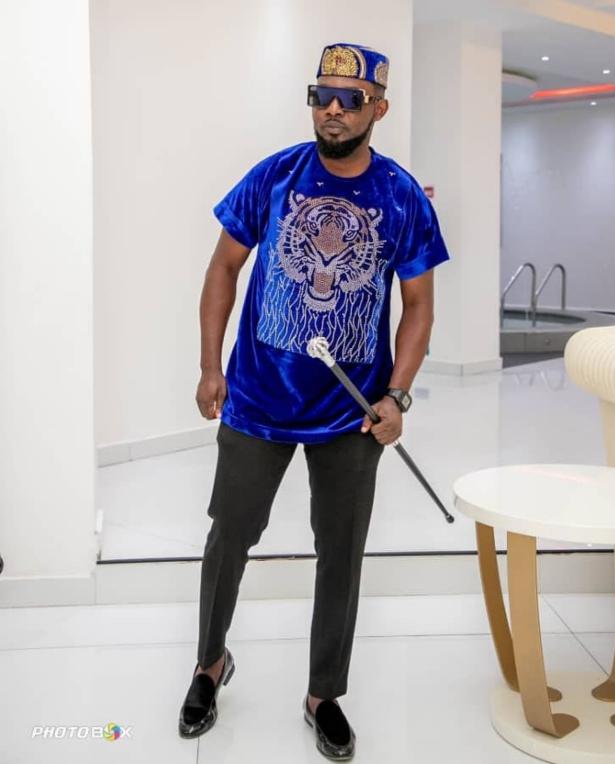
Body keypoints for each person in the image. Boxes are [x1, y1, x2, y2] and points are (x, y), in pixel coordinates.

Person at [178, 42, 451, 760]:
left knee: (341, 552)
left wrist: (397, 395)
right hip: (257, 399)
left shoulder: (401, 196)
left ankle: (323, 693)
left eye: (349, 99)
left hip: (350, 412)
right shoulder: (274, 176)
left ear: (377, 108)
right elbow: (222, 268)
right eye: (321, 95)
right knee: (228, 538)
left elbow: (419, 306)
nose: (332, 108)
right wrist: (210, 366)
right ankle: (209, 664)